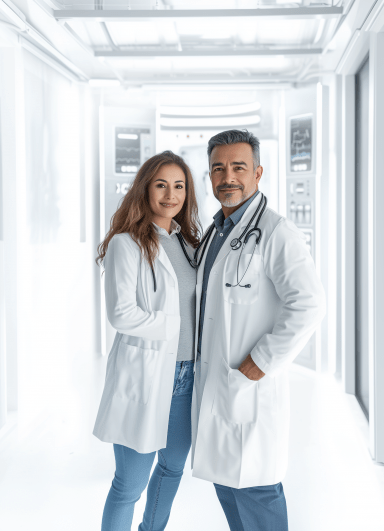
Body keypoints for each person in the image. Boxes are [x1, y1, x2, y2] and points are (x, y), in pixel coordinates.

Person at [191, 130, 326, 531]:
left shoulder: (276, 232)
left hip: (247, 387)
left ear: (258, 172)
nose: (227, 176)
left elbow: (309, 304)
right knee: (228, 489)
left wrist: (259, 363)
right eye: (218, 168)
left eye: (238, 167)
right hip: (218, 387)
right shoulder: (216, 231)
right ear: (210, 175)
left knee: (256, 493)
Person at [93, 151, 201, 531]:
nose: (171, 195)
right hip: (146, 375)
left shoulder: (191, 245)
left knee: (172, 469)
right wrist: (175, 324)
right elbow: (121, 314)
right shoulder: (127, 244)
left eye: (179, 186)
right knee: (129, 484)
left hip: (189, 378)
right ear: (145, 189)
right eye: (161, 185)